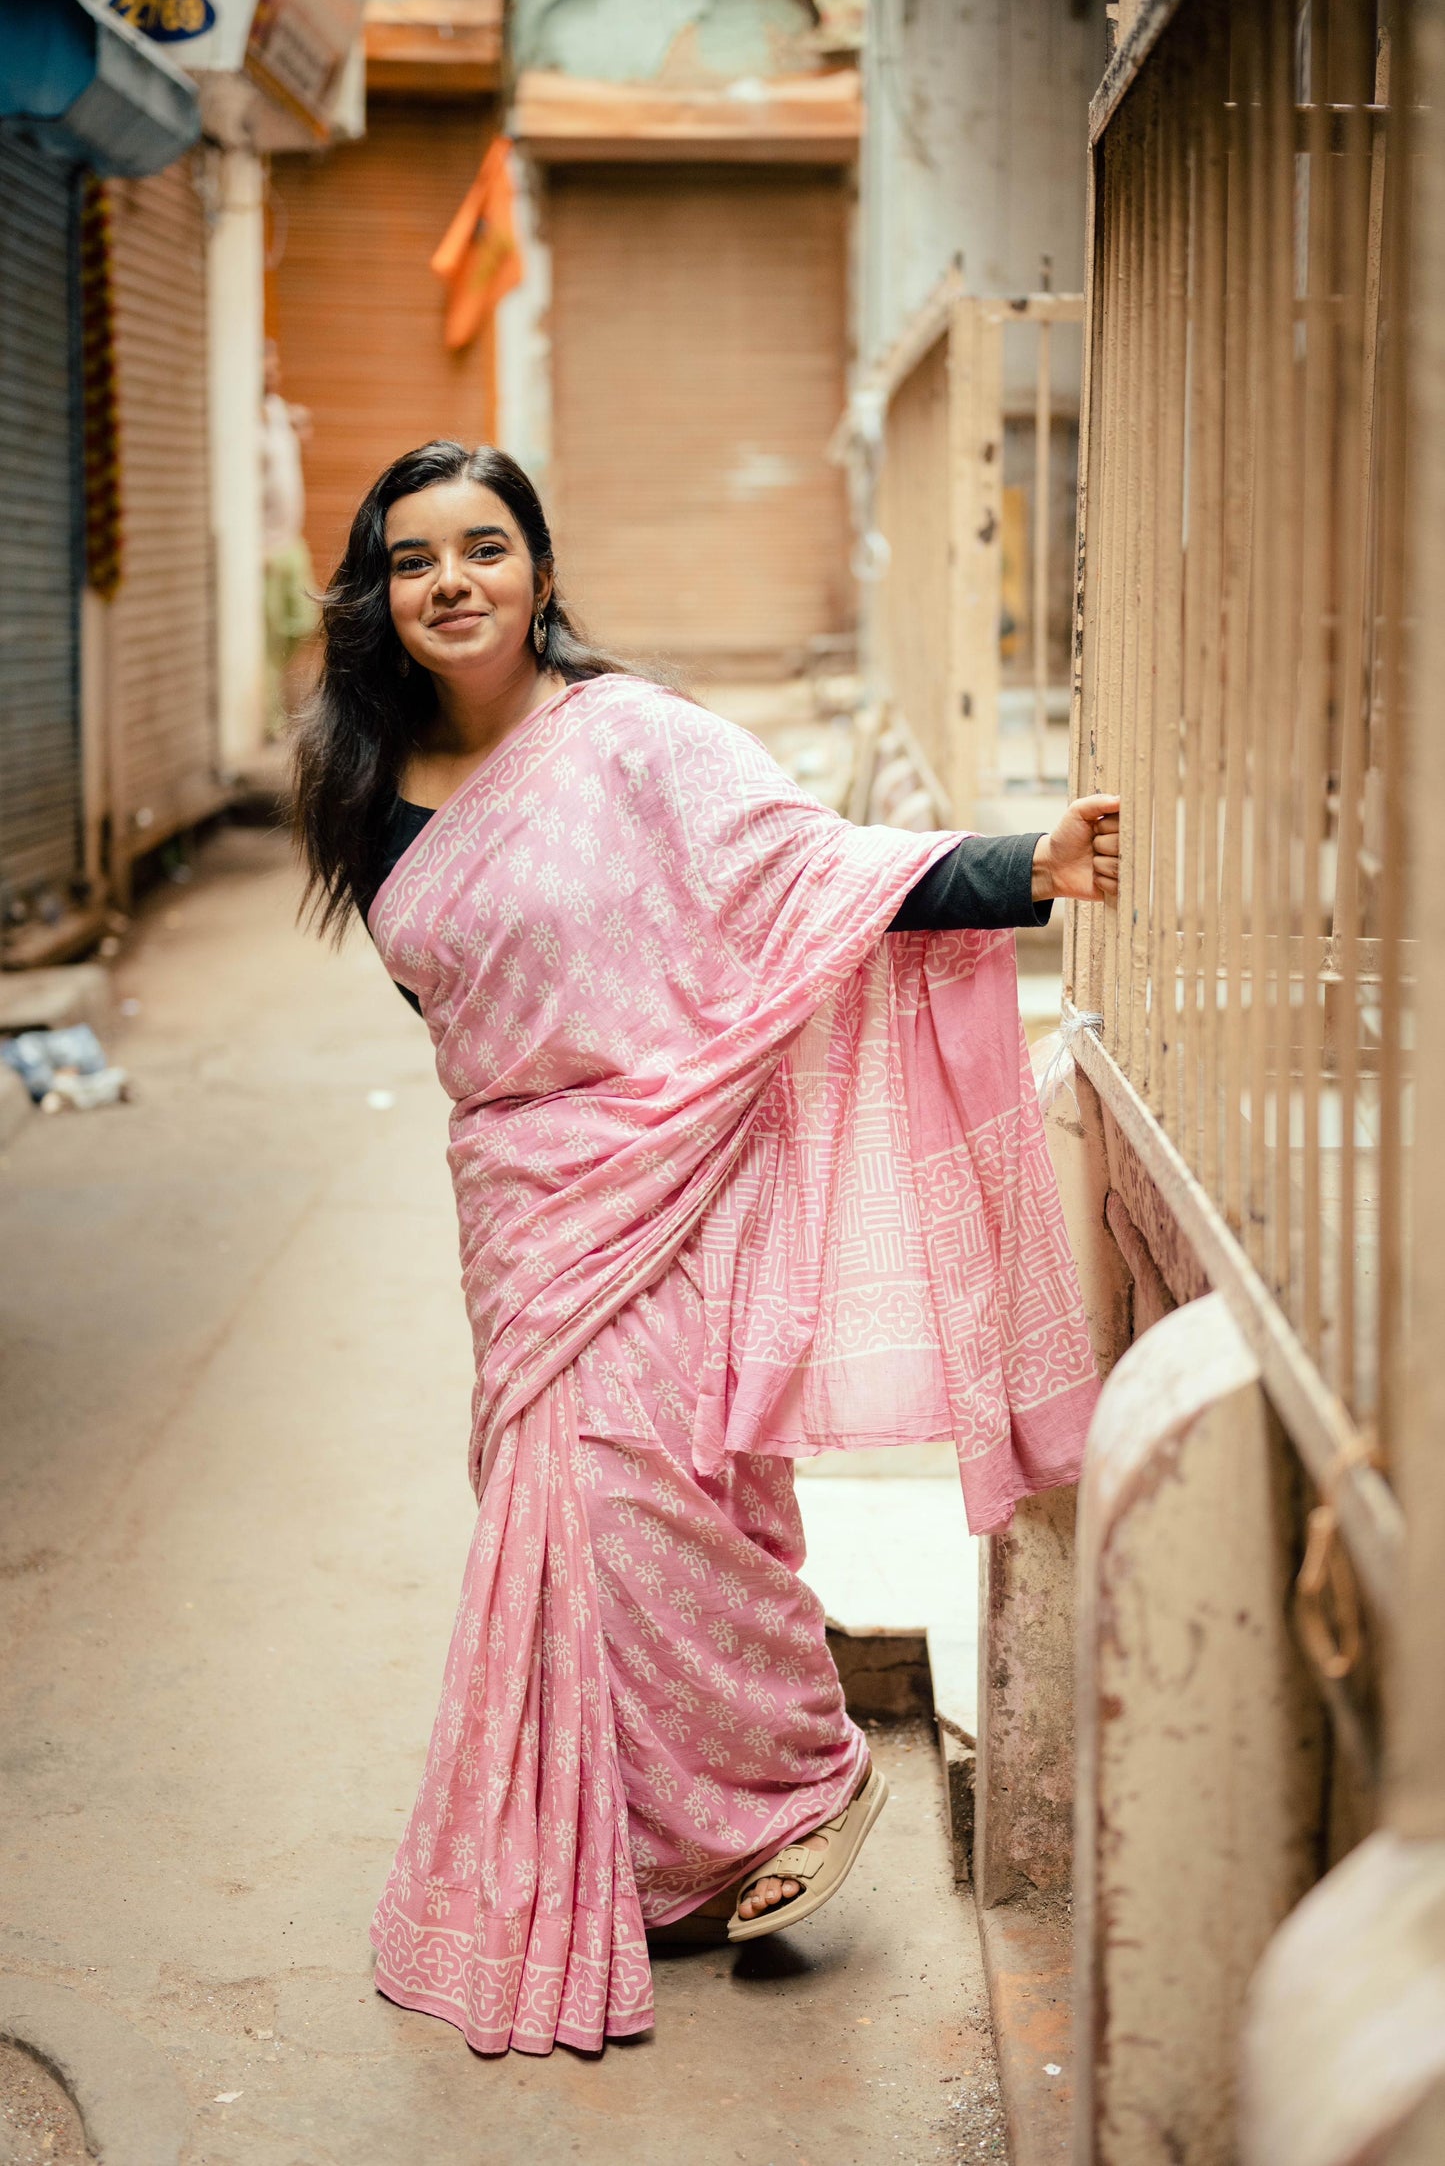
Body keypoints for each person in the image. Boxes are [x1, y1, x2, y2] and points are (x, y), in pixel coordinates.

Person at [292, 440, 1119, 2059]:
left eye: (484, 547)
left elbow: (810, 872)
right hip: (521, 1202)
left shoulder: (634, 740)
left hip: (663, 1167)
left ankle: (803, 1780)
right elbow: (457, 1009)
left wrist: (1029, 867)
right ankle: (672, 1856)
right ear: (378, 595)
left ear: (538, 571)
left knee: (660, 1485)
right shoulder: (363, 790)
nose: (451, 580)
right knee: (564, 1526)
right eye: (414, 559)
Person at [261, 340, 320, 737]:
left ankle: (292, 706)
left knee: (305, 625)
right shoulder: (243, 421)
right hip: (262, 550)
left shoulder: (277, 411)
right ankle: (272, 720)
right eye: (267, 365)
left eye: (276, 365)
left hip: (290, 541)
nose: (273, 372)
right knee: (269, 638)